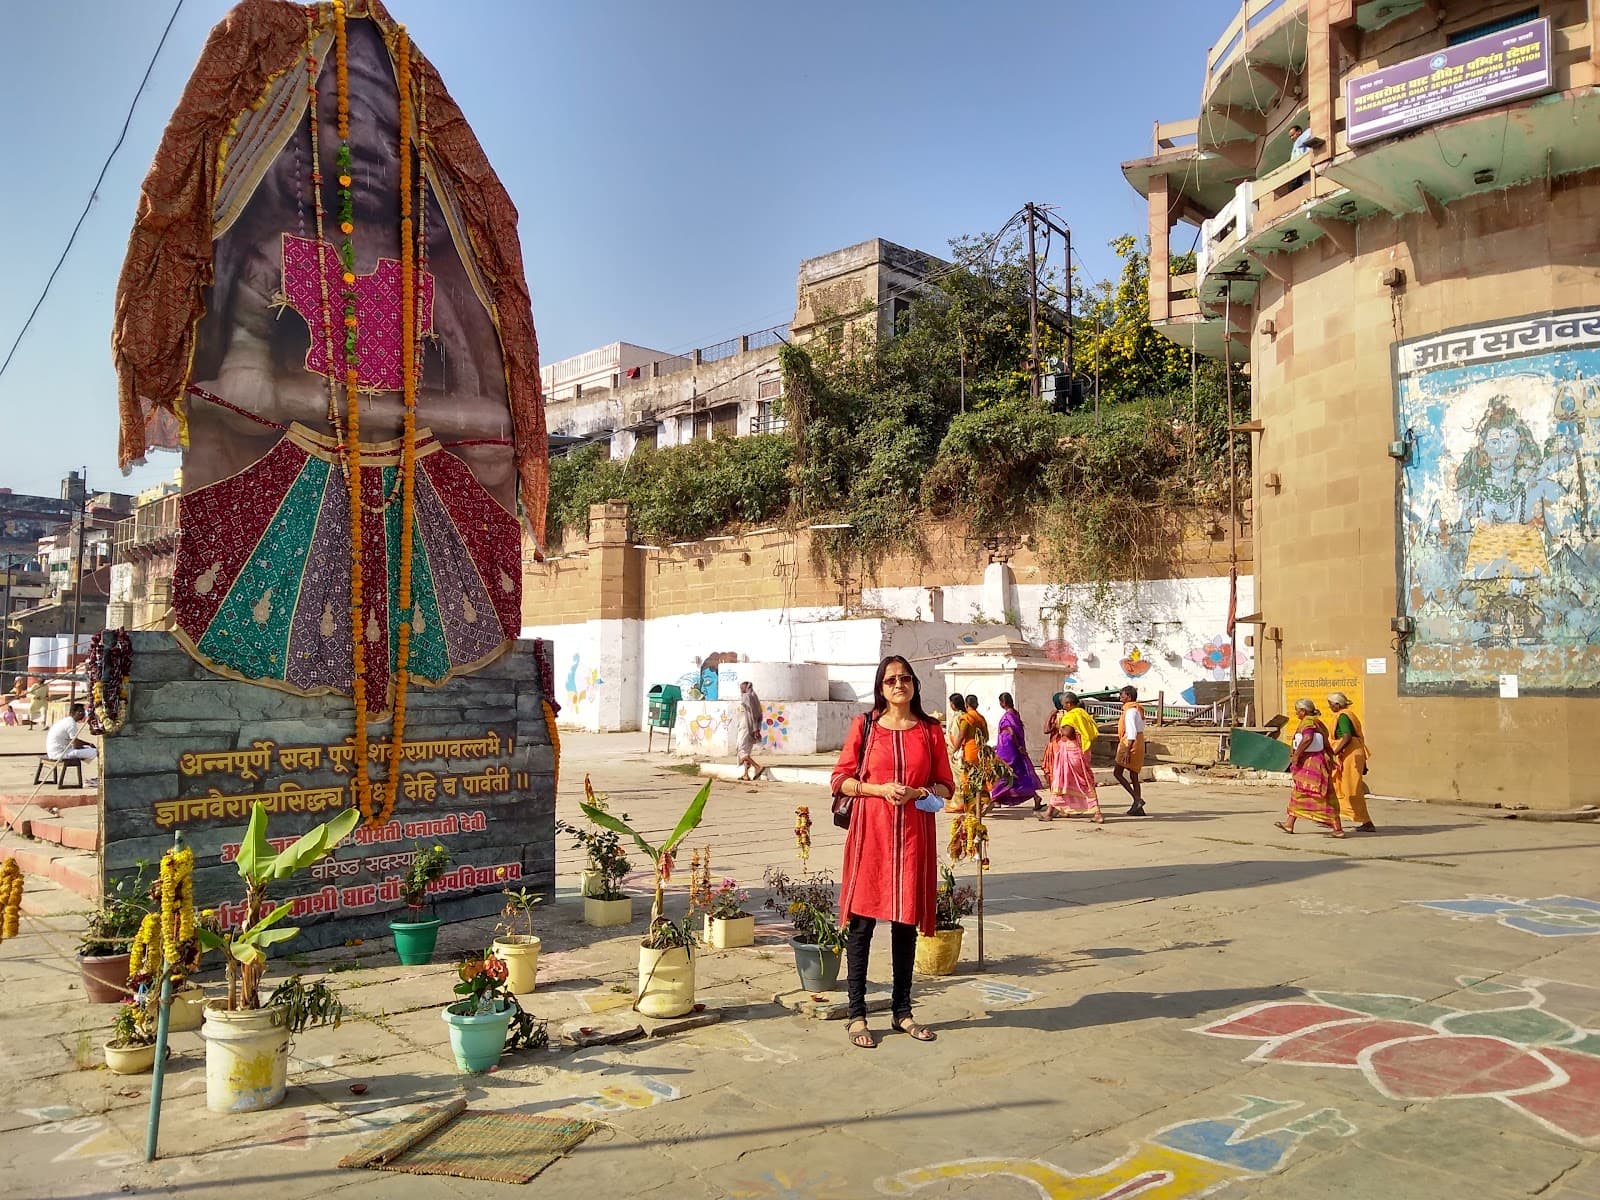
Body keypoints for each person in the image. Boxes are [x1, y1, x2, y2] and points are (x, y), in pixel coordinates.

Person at [831, 656, 954, 1050]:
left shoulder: (931, 731)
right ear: (880, 688)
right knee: (863, 924)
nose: (898, 684)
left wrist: (919, 792)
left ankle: (903, 1011)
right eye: (890, 680)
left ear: (914, 684)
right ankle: (856, 1014)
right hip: (873, 834)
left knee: (905, 924)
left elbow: (946, 786)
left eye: (904, 678)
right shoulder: (865, 727)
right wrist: (879, 790)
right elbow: (840, 780)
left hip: (915, 835)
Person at [1276, 699, 1344, 838]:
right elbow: (1325, 742)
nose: (1296, 713)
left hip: (1311, 763)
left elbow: (1307, 738)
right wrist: (1331, 756)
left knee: (1316, 793)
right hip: (1316, 762)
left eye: (1297, 710)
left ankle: (1337, 828)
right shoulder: (1316, 721)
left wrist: (1296, 755)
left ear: (1303, 711)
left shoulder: (1308, 722)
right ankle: (1289, 824)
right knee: (1305, 792)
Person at [1327, 692, 1375, 832]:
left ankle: (1366, 822)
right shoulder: (1350, 715)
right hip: (1353, 753)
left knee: (1351, 789)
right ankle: (1333, 817)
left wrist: (1334, 752)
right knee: (1339, 786)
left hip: (1350, 755)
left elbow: (1347, 737)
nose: (1329, 707)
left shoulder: (1343, 716)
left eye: (1330, 704)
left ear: (1337, 704)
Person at [989, 693, 1042, 810]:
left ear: (1002, 703)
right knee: (1018, 775)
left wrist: (1017, 746)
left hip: (1009, 750)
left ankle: (995, 798)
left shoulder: (1008, 716)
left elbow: (1012, 733)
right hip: (1011, 748)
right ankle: (1035, 797)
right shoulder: (1015, 714)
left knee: (1004, 773)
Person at [1043, 720, 1101, 823]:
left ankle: (1049, 812)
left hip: (1070, 754)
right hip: (1080, 752)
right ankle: (1097, 813)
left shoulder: (1072, 716)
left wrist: (1059, 726)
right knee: (1084, 784)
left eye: (1064, 703)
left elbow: (1068, 732)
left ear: (1069, 704)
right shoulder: (1083, 716)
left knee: (1060, 782)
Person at [1112, 686, 1147, 816]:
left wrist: (1127, 749)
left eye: (1122, 695)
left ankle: (1137, 799)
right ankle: (1138, 806)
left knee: (1117, 772)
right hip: (1138, 740)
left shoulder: (1130, 711)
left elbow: (1131, 730)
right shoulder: (1137, 709)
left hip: (1130, 741)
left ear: (1129, 697)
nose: (1120, 697)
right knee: (1134, 775)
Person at [45, 703, 97, 785]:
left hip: (56, 751)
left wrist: (88, 745)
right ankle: (100, 777)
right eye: (79, 712)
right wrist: (88, 745)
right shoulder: (71, 724)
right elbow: (76, 745)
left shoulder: (66, 721)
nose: (82, 714)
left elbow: (74, 741)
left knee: (89, 752)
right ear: (72, 713)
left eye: (83, 711)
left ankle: (97, 776)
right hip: (60, 754)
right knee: (97, 752)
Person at [736, 681, 764, 781]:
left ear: (746, 687)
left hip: (746, 726)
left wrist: (755, 728)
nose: (740, 689)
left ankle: (758, 767)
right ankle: (746, 775)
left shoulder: (747, 697)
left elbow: (753, 714)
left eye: (742, 687)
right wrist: (756, 728)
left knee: (741, 750)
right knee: (746, 750)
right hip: (748, 726)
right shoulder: (752, 696)